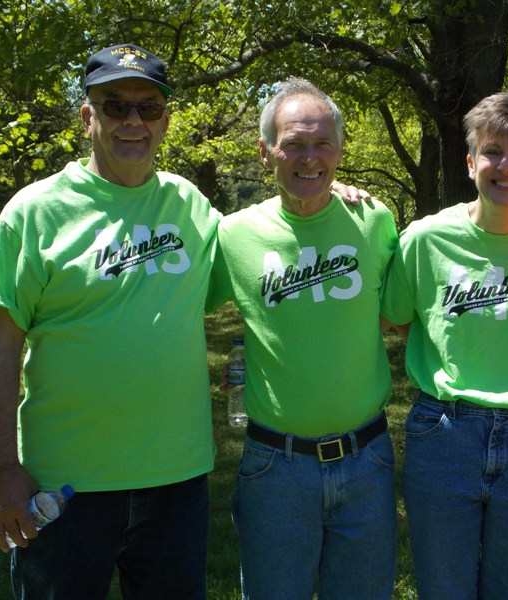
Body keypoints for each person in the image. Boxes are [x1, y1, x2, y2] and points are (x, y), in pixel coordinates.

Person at [0, 43, 219, 598]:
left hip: (177, 483)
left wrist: (329, 193)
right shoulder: (35, 211)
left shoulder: (191, 206)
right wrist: (2, 470)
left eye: (148, 107)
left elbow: (264, 244)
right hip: (63, 489)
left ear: (165, 121)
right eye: (115, 106)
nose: (133, 120)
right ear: (87, 117)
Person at [382, 89, 508, 599]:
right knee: (444, 589)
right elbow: (399, 319)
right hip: (443, 434)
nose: (506, 166)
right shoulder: (424, 240)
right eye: (493, 151)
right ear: (471, 161)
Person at [207, 77, 399, 600]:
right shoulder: (233, 234)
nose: (309, 157)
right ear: (266, 151)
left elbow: (399, 312)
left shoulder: (374, 220)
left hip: (367, 459)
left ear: (340, 151)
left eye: (322, 144)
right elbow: (181, 305)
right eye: (293, 144)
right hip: (275, 467)